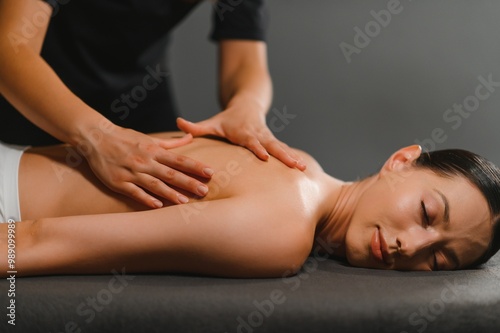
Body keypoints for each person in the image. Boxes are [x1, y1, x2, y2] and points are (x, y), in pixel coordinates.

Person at [1, 131, 499, 278]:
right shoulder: (284, 231)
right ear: (401, 161)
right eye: (428, 214)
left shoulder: (301, 162)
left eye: (439, 259)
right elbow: (32, 241)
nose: (408, 247)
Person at [0, 0, 305, 210]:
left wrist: (248, 104)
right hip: (31, 96)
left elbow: (245, 62)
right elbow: (9, 49)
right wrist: (95, 135)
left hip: (140, 97)